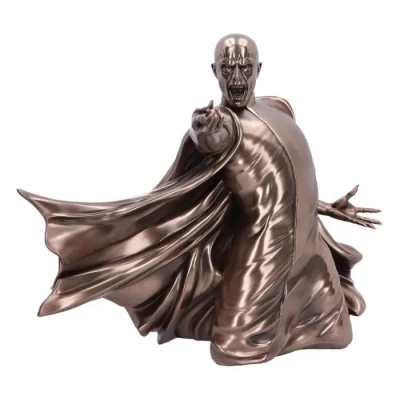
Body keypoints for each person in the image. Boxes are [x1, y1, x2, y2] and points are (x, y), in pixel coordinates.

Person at [18, 33, 380, 366]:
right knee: (234, 350)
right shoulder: (224, 125)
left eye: (245, 67)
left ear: (258, 70)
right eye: (227, 68)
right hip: (263, 252)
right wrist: (202, 128)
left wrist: (325, 206)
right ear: (214, 71)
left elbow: (281, 181)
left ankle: (289, 319)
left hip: (309, 246)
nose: (236, 77)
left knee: (335, 332)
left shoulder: (279, 108)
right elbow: (210, 135)